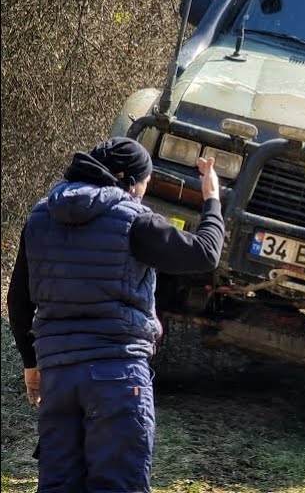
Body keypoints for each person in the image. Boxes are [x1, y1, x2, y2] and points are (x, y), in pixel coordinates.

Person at [6, 136, 225, 492]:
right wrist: (212, 198)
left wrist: (32, 364)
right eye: (144, 184)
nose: (141, 193)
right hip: (118, 376)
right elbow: (205, 254)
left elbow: (18, 300)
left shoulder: (40, 216)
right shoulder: (134, 220)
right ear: (126, 178)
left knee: (58, 485)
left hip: (59, 376)